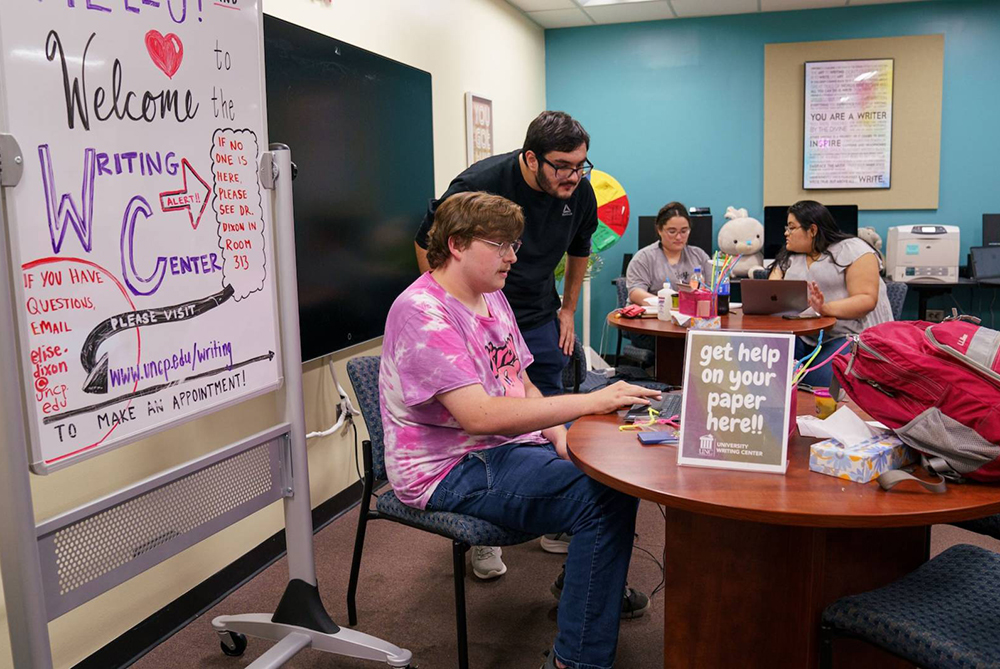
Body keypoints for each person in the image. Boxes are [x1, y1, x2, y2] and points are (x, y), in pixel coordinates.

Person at [383, 192, 658, 669]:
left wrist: (558, 435)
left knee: (611, 466)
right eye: (502, 245)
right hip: (449, 466)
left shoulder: (491, 296)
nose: (514, 256)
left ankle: (582, 585)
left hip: (505, 445)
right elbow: (479, 417)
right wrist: (591, 400)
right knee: (604, 498)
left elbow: (520, 381)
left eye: (516, 244)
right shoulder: (422, 312)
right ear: (457, 245)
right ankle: (576, 660)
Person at [414, 110, 598, 574]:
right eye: (563, 166)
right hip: (478, 304)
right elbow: (428, 240)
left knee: (543, 402)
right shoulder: (480, 183)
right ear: (530, 159)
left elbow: (580, 248)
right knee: (488, 411)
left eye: (581, 165)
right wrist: (450, 307)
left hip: (531, 309)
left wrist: (568, 310)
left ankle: (556, 510)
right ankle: (486, 512)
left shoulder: (579, 191)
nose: (574, 176)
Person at [767, 200, 892, 387]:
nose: (786, 233)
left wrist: (824, 308)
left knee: (816, 380)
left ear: (812, 230)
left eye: (792, 228)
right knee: (770, 366)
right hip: (807, 335)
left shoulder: (854, 250)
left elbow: (866, 300)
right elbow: (771, 294)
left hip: (852, 335)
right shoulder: (791, 256)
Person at [624, 201, 711, 350]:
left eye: (684, 231)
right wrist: (669, 305)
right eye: (672, 231)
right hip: (651, 325)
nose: (679, 237)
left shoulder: (698, 255)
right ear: (659, 230)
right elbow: (635, 293)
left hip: (689, 323)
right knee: (678, 345)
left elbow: (711, 288)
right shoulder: (644, 257)